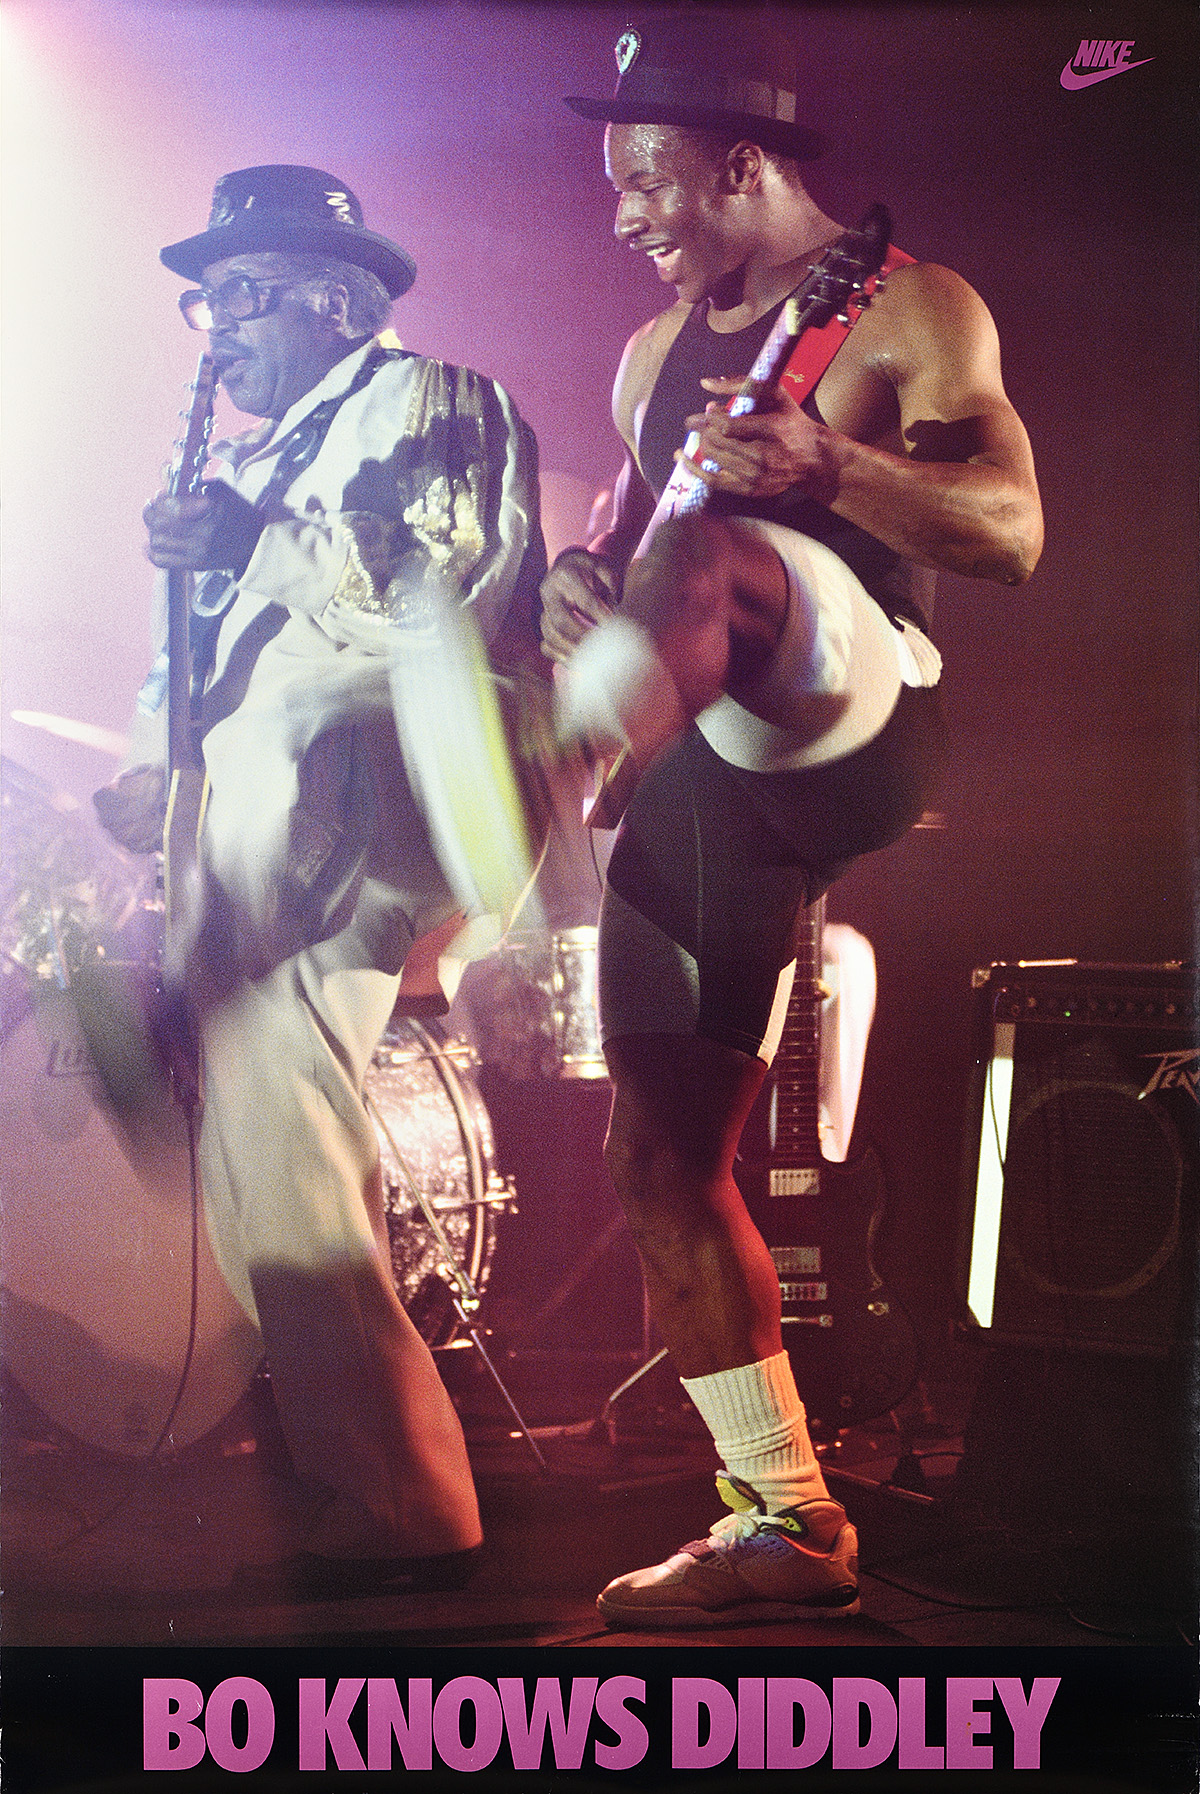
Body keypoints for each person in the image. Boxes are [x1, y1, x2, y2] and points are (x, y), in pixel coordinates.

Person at [542, 14, 1042, 1627]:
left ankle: (540, 789)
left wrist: (832, 467)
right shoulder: (649, 358)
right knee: (660, 1153)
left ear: (741, 163)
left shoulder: (914, 307)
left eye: (643, 179)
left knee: (717, 569)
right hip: (712, 772)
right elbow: (639, 553)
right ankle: (783, 1516)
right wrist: (573, 593)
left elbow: (1014, 530)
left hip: (858, 711)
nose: (621, 214)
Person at [95, 165, 547, 1596]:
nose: (212, 330)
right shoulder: (241, 466)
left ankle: (403, 1499)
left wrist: (256, 542)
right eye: (202, 301)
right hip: (251, 828)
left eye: (238, 296)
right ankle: (363, 1477)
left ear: (337, 298)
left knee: (287, 1147)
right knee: (258, 1165)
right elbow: (209, 676)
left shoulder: (433, 401)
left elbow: (442, 583)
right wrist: (143, 763)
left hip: (366, 808)